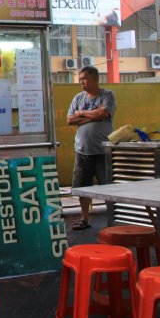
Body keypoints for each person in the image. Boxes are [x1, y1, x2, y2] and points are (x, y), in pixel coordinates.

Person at [66, 65, 115, 230]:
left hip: (102, 152)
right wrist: (92, 116)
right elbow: (70, 120)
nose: (81, 82)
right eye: (80, 79)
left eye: (84, 78)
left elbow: (104, 113)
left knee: (108, 188)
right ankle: (85, 219)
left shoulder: (107, 95)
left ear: (95, 78)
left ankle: (113, 220)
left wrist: (82, 114)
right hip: (82, 151)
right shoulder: (78, 98)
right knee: (82, 187)